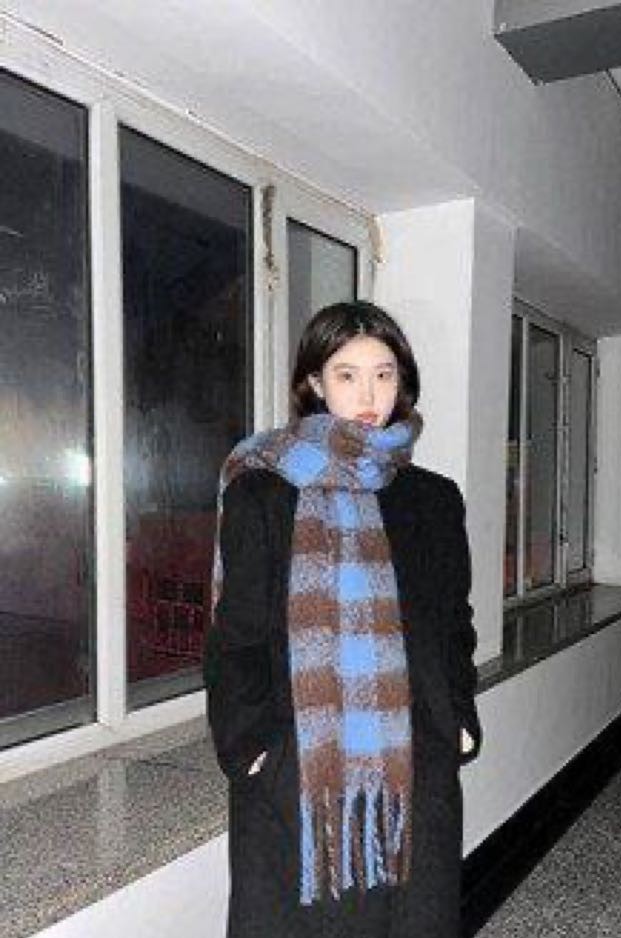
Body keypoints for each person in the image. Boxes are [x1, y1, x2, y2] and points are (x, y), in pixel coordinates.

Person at [204, 300, 482, 938]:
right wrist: (250, 748)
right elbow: (235, 638)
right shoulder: (261, 492)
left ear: (402, 381)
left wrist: (459, 718)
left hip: (417, 769)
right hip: (297, 769)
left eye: (384, 374)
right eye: (347, 374)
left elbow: (452, 625)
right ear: (314, 382)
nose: (368, 394)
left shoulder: (434, 500)